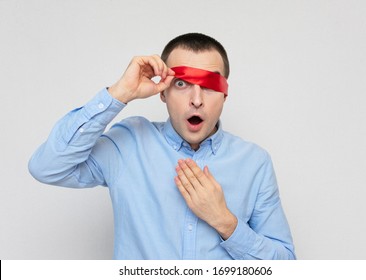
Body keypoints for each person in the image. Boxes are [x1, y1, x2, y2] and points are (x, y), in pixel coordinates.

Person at [29, 33, 296, 260]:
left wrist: (224, 221)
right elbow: (47, 167)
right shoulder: (129, 143)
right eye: (181, 84)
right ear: (163, 92)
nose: (196, 100)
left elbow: (285, 265)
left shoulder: (255, 163)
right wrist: (120, 93)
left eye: (210, 86)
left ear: (225, 94)